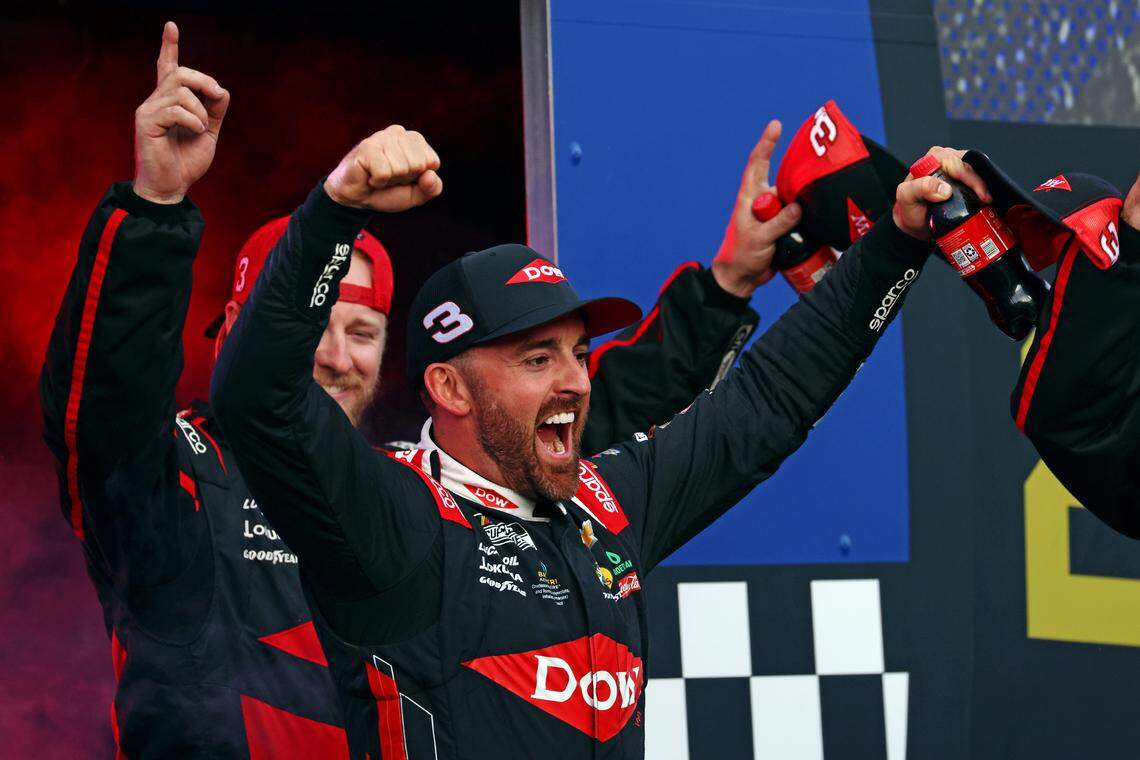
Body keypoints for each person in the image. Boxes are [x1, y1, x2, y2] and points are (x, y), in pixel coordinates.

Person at [39, 23, 784, 758]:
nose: (336, 358)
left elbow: (578, 416)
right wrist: (155, 208)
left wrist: (725, 289)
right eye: (317, 330)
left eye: (362, 333)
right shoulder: (177, 479)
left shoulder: (408, 488)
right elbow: (106, 404)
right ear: (240, 326)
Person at [211, 114, 981, 754]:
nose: (576, 381)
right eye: (537, 358)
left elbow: (769, 400)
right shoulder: (394, 515)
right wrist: (335, 212)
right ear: (448, 386)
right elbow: (256, 399)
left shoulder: (607, 504)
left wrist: (895, 246)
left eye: (578, 353)